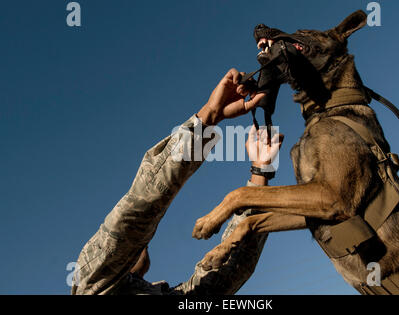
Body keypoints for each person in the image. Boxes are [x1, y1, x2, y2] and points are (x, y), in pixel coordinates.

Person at [71, 69, 284, 295]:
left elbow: (223, 277)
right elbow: (135, 214)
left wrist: (260, 170)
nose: (143, 244)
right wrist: (209, 116)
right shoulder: (90, 286)